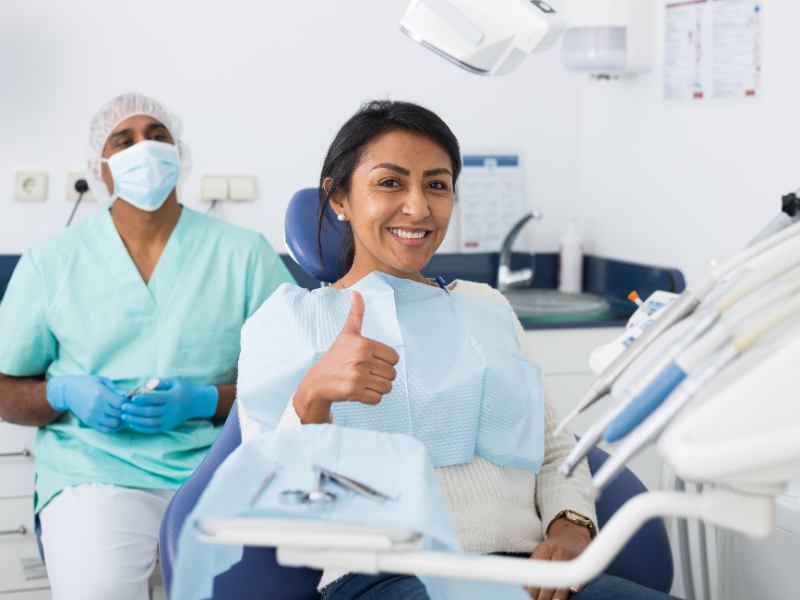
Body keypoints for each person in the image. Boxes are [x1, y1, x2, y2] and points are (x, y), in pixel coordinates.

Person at [235, 101, 679, 600]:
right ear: (339, 197)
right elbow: (268, 498)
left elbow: (555, 447)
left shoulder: (487, 307)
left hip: (530, 574)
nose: (418, 207)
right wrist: (311, 400)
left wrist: (571, 527)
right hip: (385, 577)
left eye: (437, 185)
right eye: (390, 183)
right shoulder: (288, 321)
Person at [0, 92, 295, 600]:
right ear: (100, 166)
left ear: (179, 153)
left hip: (220, 463)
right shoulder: (51, 262)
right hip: (95, 469)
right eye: (124, 140)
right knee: (99, 587)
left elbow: (293, 380)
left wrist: (207, 401)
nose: (145, 148)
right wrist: (61, 394)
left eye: (158, 136)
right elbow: (5, 387)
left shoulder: (244, 255)